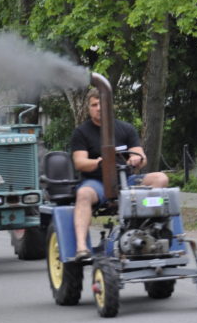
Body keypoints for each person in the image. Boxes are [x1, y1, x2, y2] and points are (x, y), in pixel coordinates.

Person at [70, 88, 169, 259]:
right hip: (97, 182)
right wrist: (98, 162)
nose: (99, 108)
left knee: (161, 178)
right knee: (83, 194)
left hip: (126, 179)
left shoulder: (126, 128)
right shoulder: (81, 132)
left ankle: (148, 234)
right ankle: (81, 248)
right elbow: (79, 162)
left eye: (103, 104)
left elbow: (140, 155)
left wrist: (136, 160)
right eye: (94, 105)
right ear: (88, 108)